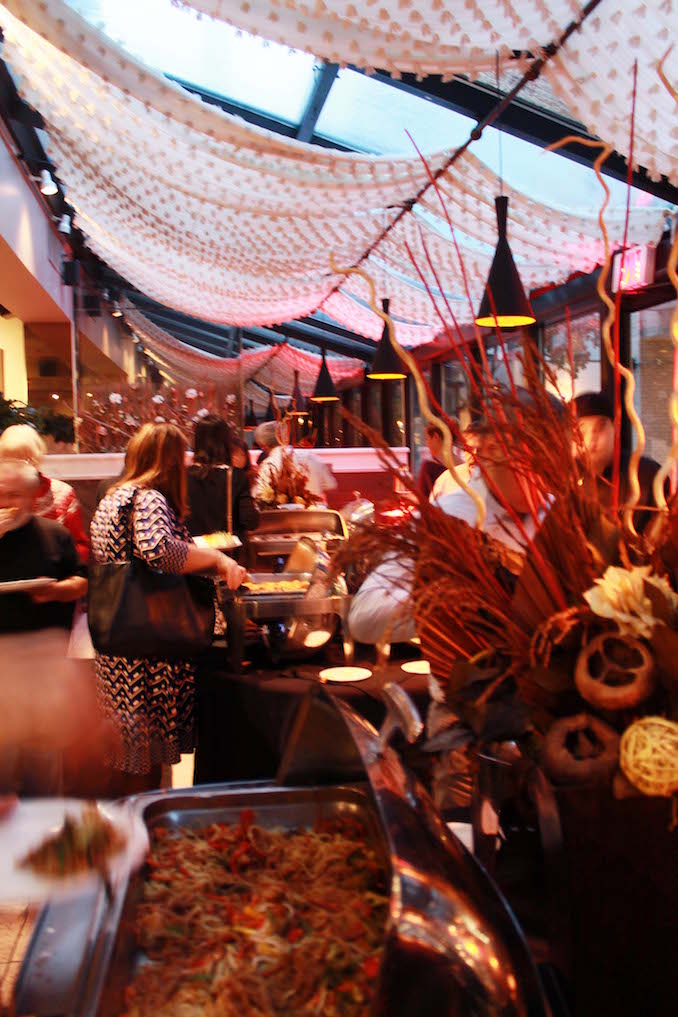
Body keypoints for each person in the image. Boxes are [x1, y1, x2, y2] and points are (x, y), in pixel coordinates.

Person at [90, 422, 246, 795]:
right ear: (171, 461)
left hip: (119, 641)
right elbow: (158, 549)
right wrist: (217, 561)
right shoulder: (148, 497)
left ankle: (128, 830)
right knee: (143, 765)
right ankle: (144, 834)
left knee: (125, 756)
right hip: (149, 647)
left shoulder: (114, 496)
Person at [348, 419, 548, 645]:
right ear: (495, 450)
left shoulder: (562, 514)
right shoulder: (443, 516)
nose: (548, 481)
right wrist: (464, 602)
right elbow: (364, 617)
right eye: (540, 463)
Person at [0, 459, 88, 794]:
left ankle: (46, 836)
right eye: (0, 495)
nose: (6, 503)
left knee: (44, 772)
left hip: (46, 671)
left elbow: (81, 580)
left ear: (33, 496)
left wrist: (58, 591)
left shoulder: (54, 535)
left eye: (14, 495)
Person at [572, 391, 663, 533]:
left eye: (600, 429)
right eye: (580, 431)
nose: (590, 441)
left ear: (615, 427)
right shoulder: (563, 482)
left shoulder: (648, 474)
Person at [0, 423, 89, 561]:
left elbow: (80, 546)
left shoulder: (62, 493)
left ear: (37, 459)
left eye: (25, 460)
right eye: (10, 461)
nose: (18, 468)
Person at [186, 415, 259, 545]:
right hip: (227, 556)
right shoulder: (236, 476)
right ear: (226, 442)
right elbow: (249, 521)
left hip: (193, 553)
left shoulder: (183, 476)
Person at [252, 420, 337, 503]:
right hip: (317, 513)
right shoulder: (311, 457)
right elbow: (331, 485)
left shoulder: (268, 465)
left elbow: (259, 495)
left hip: (283, 515)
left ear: (263, 445)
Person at [416, 423, 446, 499]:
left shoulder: (429, 467)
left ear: (436, 437)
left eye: (427, 439)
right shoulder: (464, 463)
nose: (427, 444)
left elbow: (423, 500)